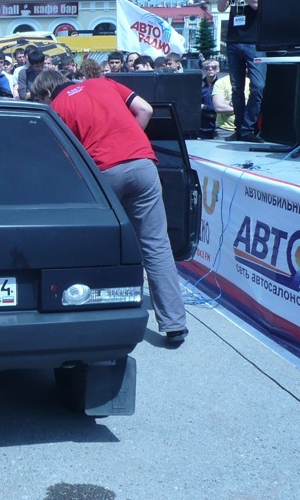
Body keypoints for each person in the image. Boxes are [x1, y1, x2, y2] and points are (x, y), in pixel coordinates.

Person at [30, 68, 189, 345]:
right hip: (143, 164)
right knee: (156, 246)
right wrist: (126, 145)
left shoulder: (57, 107)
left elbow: (59, 157)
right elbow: (145, 109)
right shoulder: (103, 83)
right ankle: (174, 324)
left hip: (103, 174)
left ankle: (95, 316)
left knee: (97, 247)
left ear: (46, 93)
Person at [218, 0, 274, 143]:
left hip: (254, 41)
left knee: (258, 86)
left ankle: (249, 127)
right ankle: (240, 129)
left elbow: (260, 3)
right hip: (233, 40)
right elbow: (221, 6)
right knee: (236, 88)